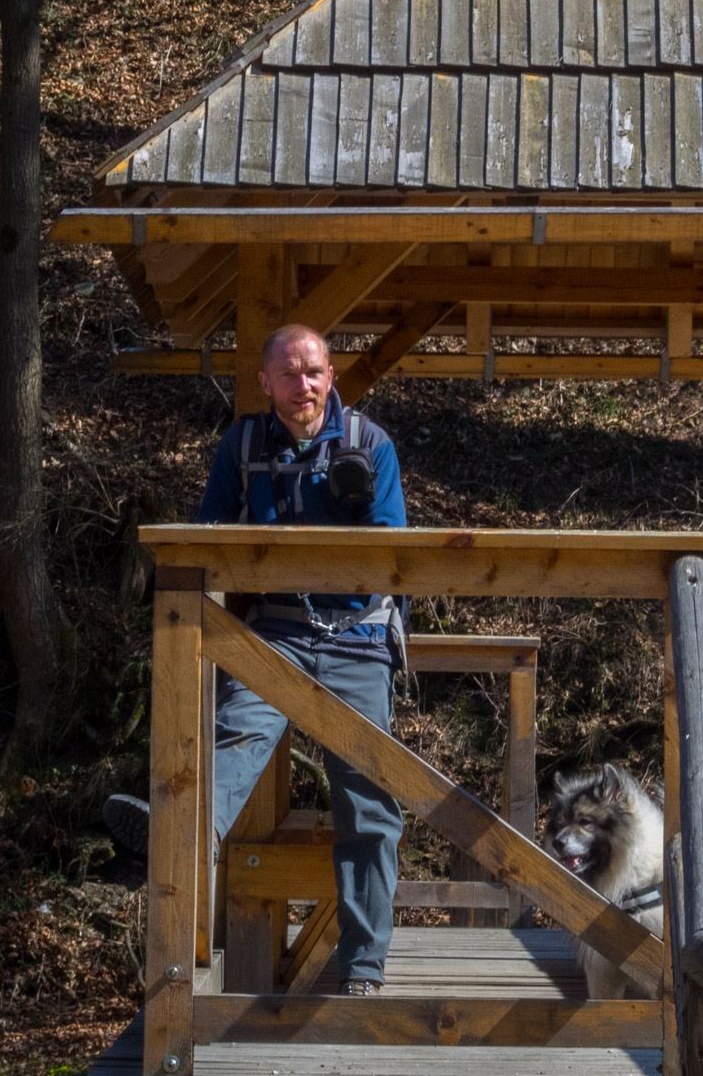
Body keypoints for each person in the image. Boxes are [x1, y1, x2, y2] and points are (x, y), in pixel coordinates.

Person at [102, 324, 408, 997]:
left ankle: (363, 968)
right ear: (264, 382)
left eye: (316, 371)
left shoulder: (370, 445)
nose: (305, 385)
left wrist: (351, 516)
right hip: (277, 631)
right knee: (232, 739)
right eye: (291, 374)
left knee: (368, 798)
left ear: (333, 376)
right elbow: (207, 541)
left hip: (356, 634)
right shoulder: (241, 446)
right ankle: (177, 836)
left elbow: (395, 559)